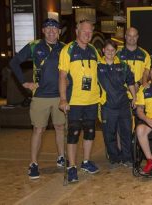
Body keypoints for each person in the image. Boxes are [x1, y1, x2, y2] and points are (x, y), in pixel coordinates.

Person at [9, 18, 65, 179]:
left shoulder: (64, 48)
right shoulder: (34, 46)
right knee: (38, 130)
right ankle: (33, 163)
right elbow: (14, 62)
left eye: (55, 28)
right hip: (40, 96)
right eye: (48, 28)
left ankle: (61, 157)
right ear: (43, 31)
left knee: (60, 127)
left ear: (59, 32)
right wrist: (24, 83)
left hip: (59, 96)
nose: (51, 31)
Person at [58, 19, 101, 183]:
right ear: (77, 31)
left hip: (92, 100)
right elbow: (62, 76)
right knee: (73, 134)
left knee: (90, 132)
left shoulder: (93, 50)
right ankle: (72, 166)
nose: (88, 34)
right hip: (74, 101)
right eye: (85, 31)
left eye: (90, 32)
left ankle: (86, 162)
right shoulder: (67, 50)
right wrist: (63, 98)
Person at [98, 39, 137, 168]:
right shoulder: (97, 66)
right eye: (107, 49)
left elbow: (131, 82)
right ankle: (114, 158)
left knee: (126, 133)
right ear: (103, 50)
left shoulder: (123, 65)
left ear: (116, 52)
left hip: (124, 105)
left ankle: (127, 158)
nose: (110, 52)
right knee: (109, 134)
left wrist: (135, 98)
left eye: (112, 50)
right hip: (107, 105)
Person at [117, 27, 151, 93]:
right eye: (129, 35)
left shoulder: (145, 54)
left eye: (134, 36)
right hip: (122, 94)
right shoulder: (117, 54)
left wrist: (138, 84)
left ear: (137, 37)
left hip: (140, 94)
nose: (132, 38)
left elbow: (148, 74)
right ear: (125, 36)